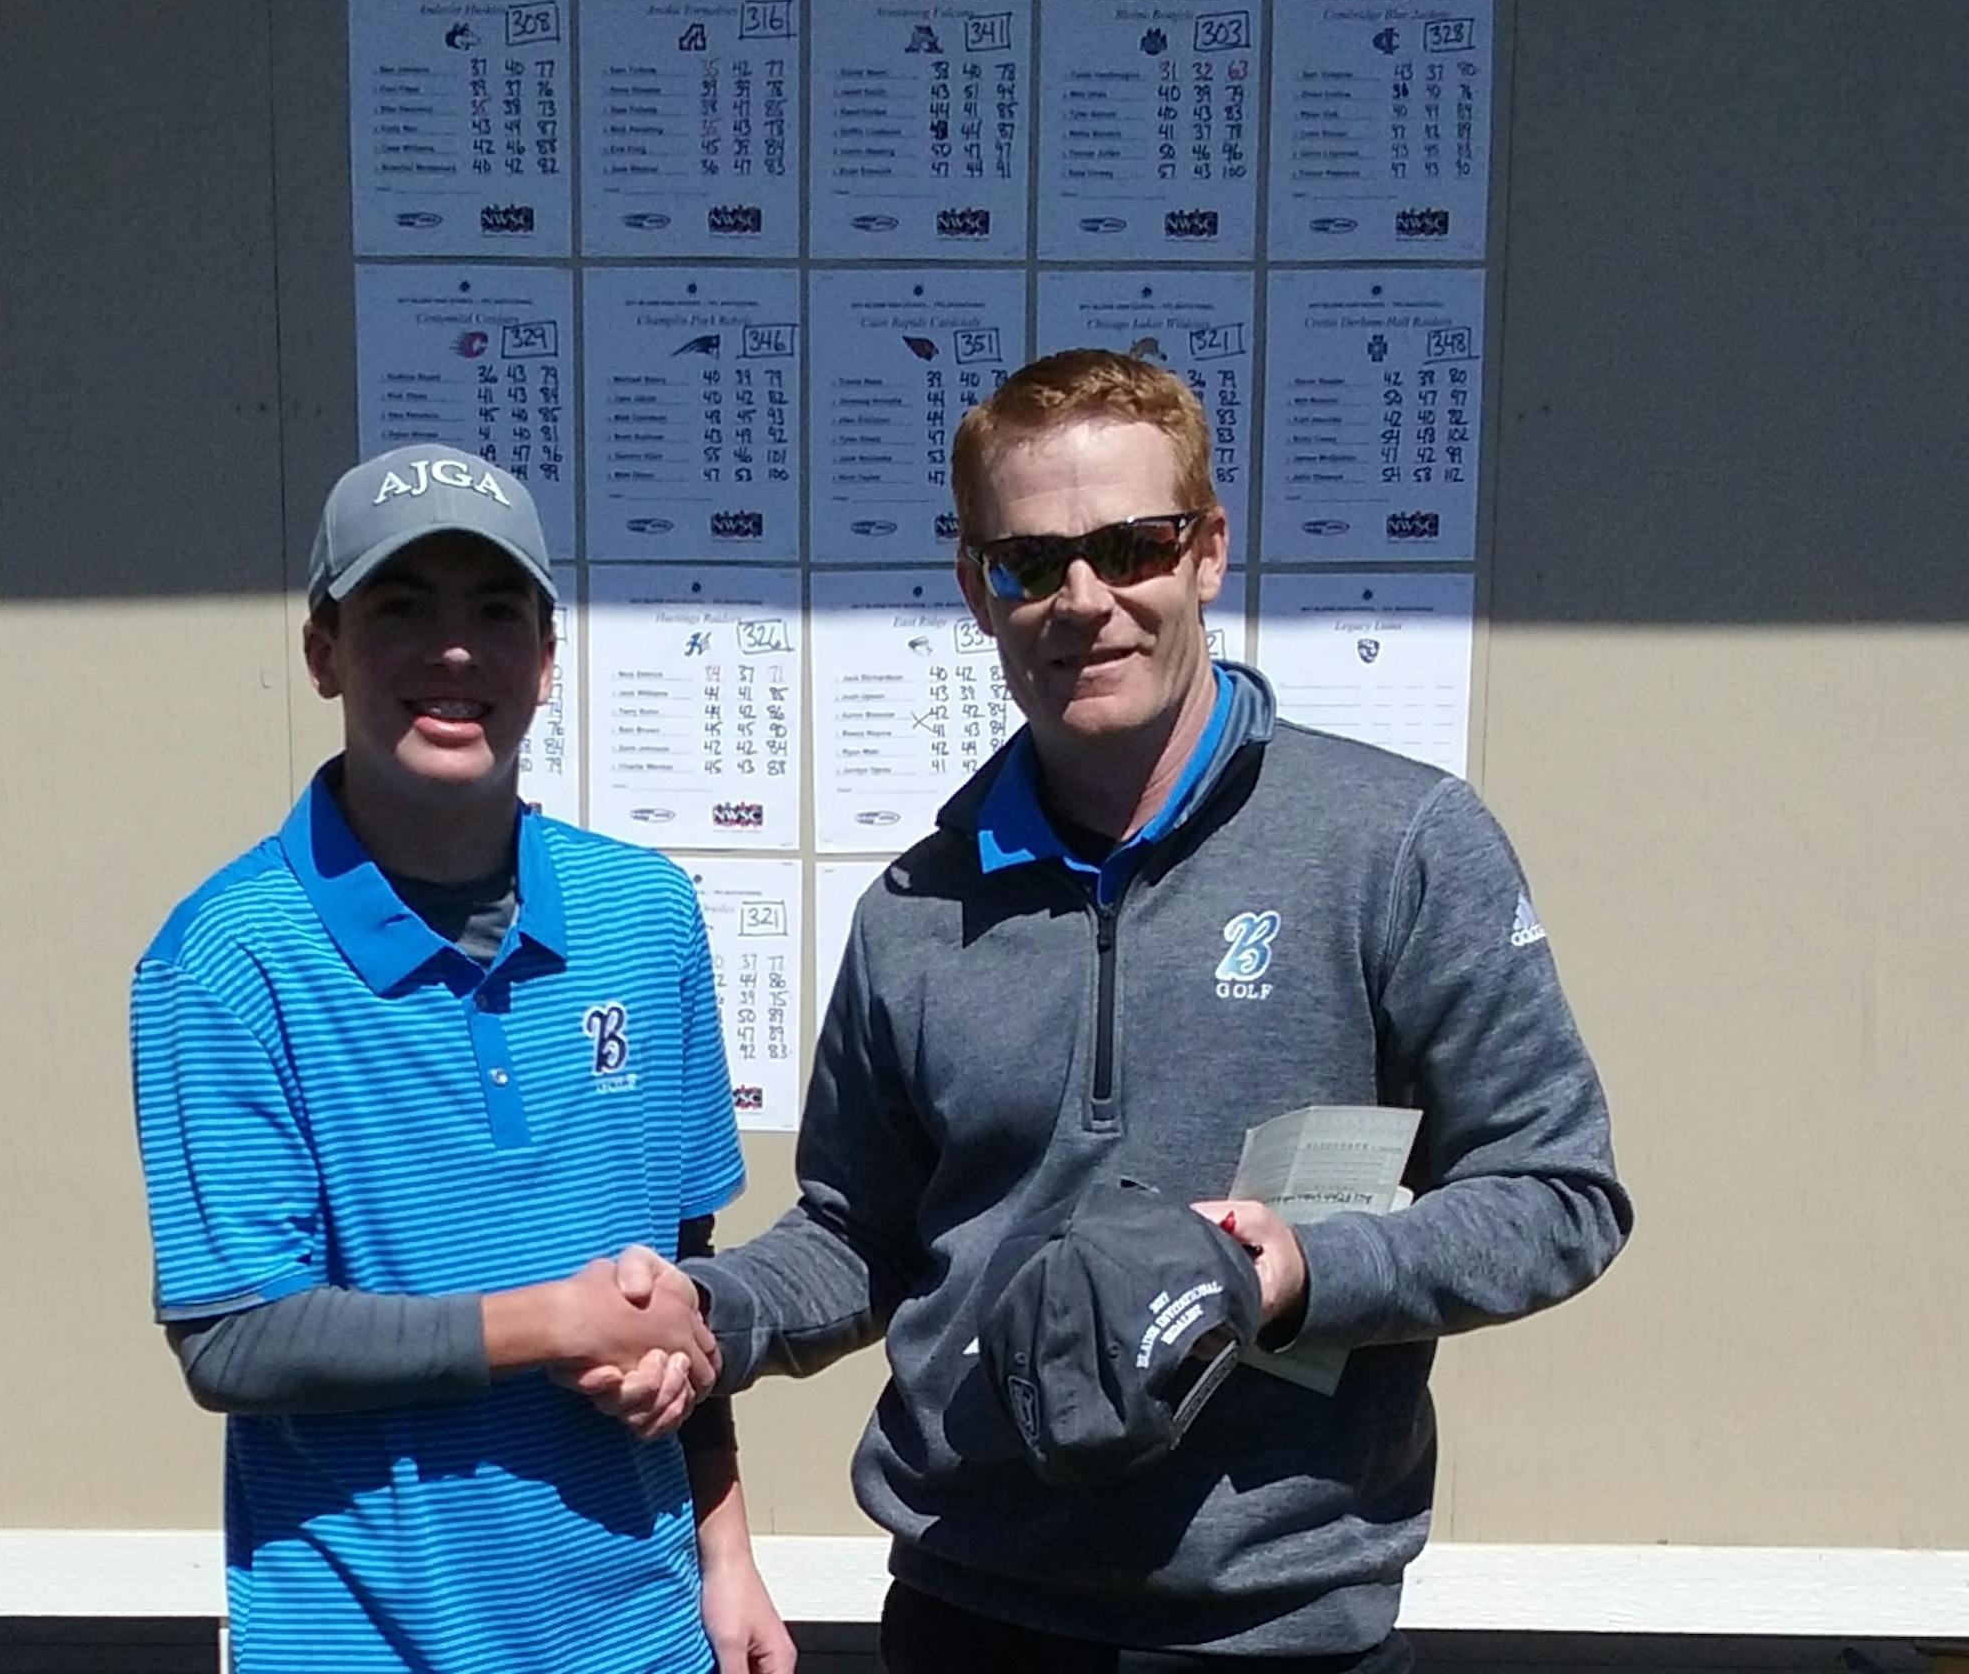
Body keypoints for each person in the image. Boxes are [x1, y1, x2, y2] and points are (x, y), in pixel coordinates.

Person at [609, 351, 1633, 1671]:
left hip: (1283, 1630)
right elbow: (861, 1235)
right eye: (1030, 562)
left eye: (1132, 546)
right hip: (971, 1612)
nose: (1084, 599)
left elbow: (1558, 1192)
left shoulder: (1397, 845)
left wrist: (1304, 1274)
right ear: (976, 586)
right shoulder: (916, 911)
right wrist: (709, 1314)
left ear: (1207, 551)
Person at [130, 444, 794, 1674]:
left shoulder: (646, 915)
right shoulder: (225, 959)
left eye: (495, 611)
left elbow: (681, 1266)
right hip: (361, 1641)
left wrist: (726, 1545)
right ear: (324, 650)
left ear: (546, 658)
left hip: (640, 1632)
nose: (453, 651)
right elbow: (235, 1339)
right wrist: (552, 1322)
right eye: (401, 608)